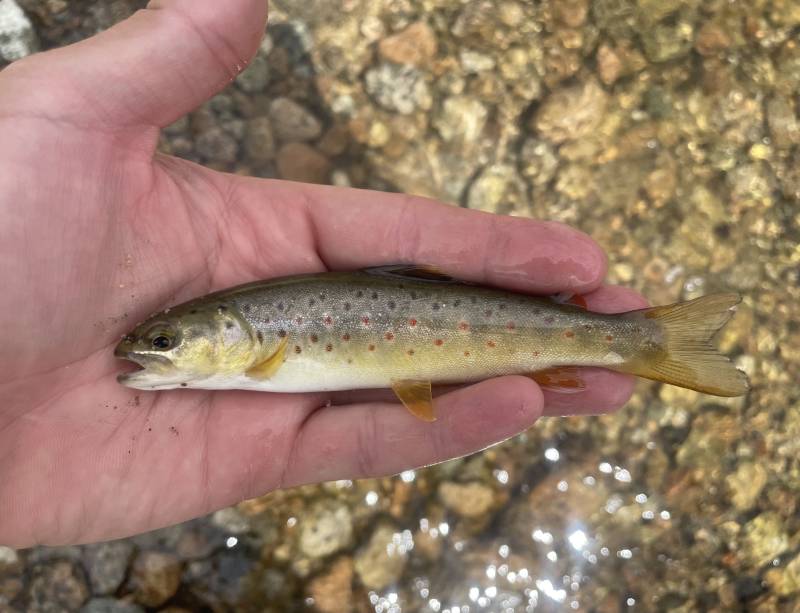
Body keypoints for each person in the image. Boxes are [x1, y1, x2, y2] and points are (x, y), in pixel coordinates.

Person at [0, 0, 645, 549]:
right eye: (163, 344)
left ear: (227, 334)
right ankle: (635, 343)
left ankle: (636, 342)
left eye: (165, 342)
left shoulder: (258, 338)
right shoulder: (243, 337)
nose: (148, 353)